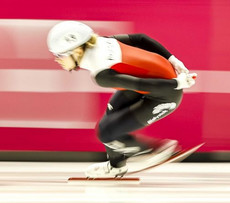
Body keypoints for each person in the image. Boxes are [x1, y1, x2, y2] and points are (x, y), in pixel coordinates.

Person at [47, 21, 197, 178]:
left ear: (77, 51)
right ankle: (116, 167)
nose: (57, 60)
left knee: (105, 132)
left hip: (164, 93)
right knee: (112, 114)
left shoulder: (101, 74)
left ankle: (157, 150)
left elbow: (139, 83)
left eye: (60, 55)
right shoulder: (104, 41)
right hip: (157, 81)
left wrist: (176, 83)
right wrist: (173, 59)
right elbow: (140, 39)